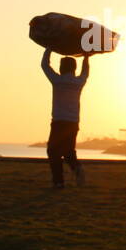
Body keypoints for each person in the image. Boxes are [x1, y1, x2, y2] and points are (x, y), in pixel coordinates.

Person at [41, 49, 89, 188]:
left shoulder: (57, 80)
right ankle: (77, 169)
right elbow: (85, 72)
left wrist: (48, 48)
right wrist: (86, 57)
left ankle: (59, 182)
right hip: (73, 122)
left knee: (53, 151)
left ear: (62, 68)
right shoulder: (78, 82)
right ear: (74, 68)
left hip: (58, 122)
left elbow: (45, 65)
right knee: (68, 151)